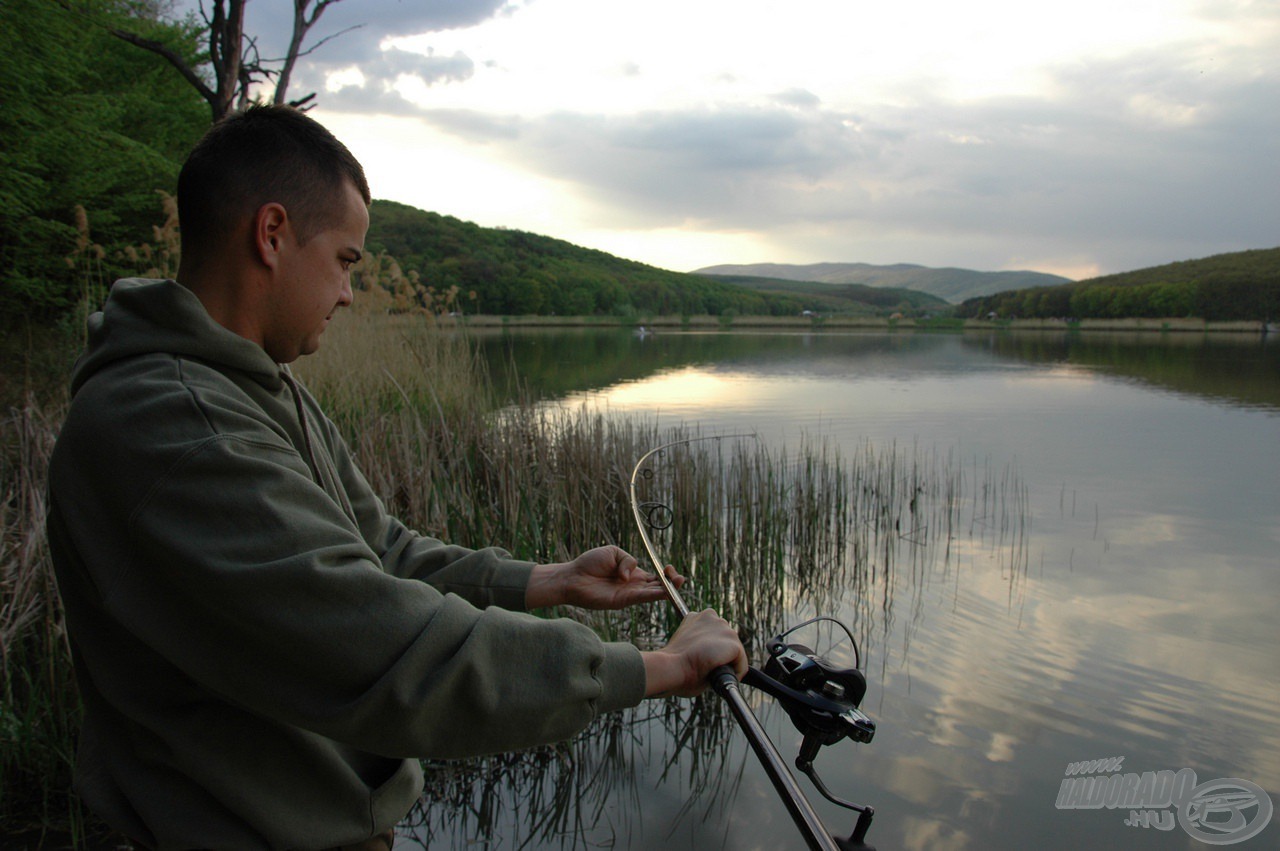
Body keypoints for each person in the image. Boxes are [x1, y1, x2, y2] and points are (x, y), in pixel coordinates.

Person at [46, 104, 747, 850]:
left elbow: (378, 548)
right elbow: (389, 650)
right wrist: (659, 666)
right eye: (346, 260)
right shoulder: (175, 426)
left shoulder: (255, 385)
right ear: (272, 233)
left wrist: (546, 580)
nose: (349, 293)